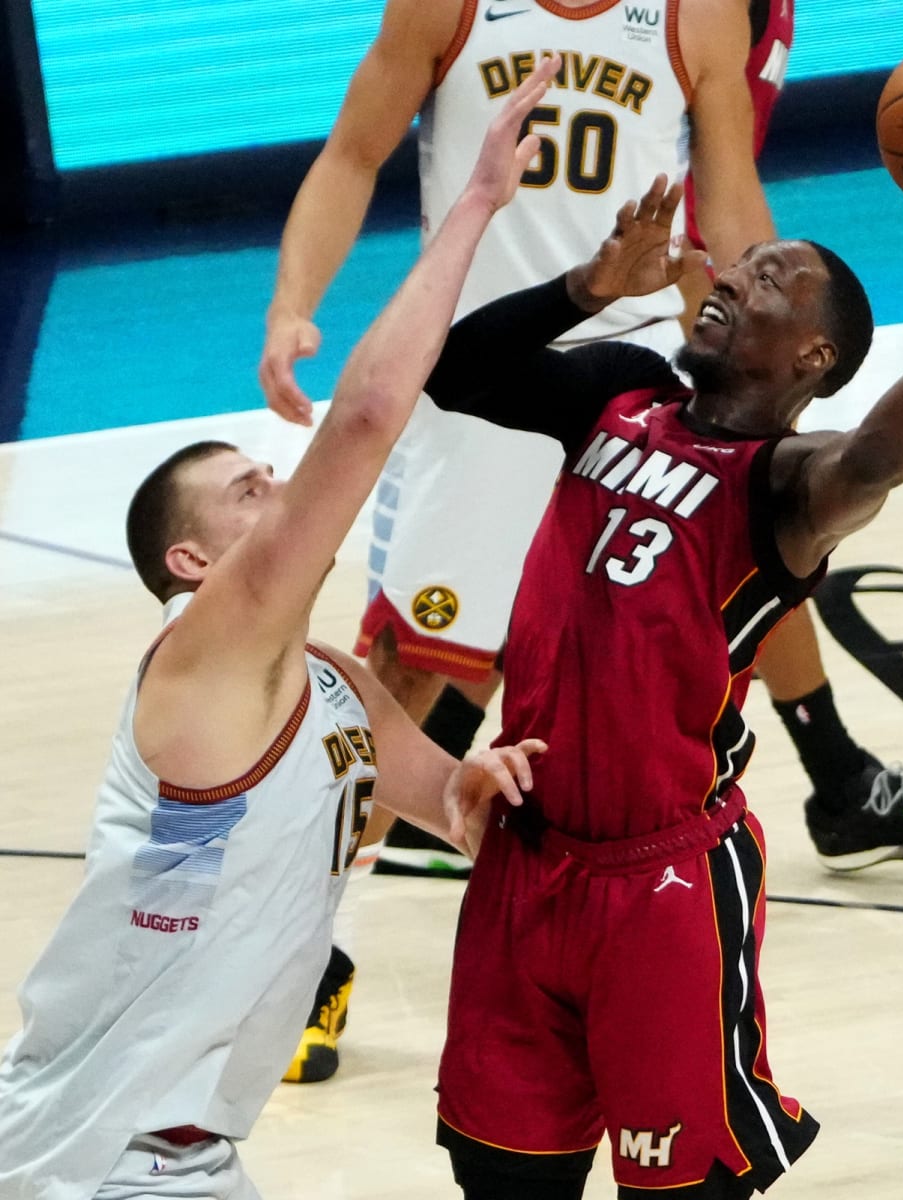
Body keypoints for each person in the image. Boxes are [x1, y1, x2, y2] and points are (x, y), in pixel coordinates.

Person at [259, 0, 903, 1080]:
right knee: (410, 670)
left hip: (640, 356)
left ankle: (834, 779)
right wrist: (292, 304)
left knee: (747, 555)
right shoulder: (449, 7)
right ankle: (312, 958)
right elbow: (353, 152)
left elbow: (733, 191)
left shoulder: (692, 16)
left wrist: (765, 321)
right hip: (490, 358)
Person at [427, 121, 903, 1198]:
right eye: (742, 263)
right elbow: (453, 372)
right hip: (524, 863)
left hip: (662, 887)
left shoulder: (786, 487)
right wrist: (582, 289)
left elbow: (880, 455)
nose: (733, 275)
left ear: (812, 358)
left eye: (771, 281)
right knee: (498, 1182)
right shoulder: (618, 392)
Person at [0, 63, 559, 1200]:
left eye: (269, 476)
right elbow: (362, 421)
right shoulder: (198, 655)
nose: (279, 492)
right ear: (192, 564)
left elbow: (456, 809)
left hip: (195, 1157)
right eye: (247, 492)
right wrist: (478, 204)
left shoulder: (338, 685)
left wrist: (490, 783)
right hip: (86, 1162)